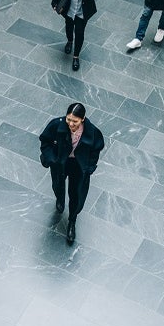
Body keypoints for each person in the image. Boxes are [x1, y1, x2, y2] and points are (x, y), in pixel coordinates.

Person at [39, 103, 104, 244]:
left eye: (75, 121)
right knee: (57, 185)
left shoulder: (92, 132)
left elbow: (95, 150)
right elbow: (45, 141)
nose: (71, 123)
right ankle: (60, 200)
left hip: (79, 166)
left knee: (76, 194)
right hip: (60, 162)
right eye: (69, 119)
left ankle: (72, 222)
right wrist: (52, 159)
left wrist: (89, 167)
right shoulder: (56, 125)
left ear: (83, 119)